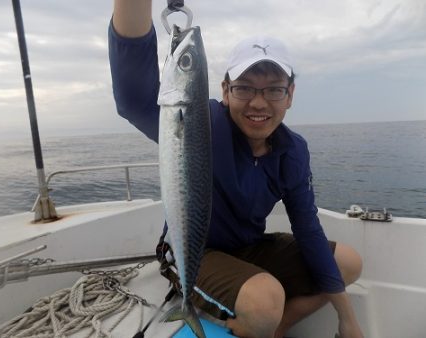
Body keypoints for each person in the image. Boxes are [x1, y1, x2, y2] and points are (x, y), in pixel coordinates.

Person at [109, 1, 364, 337]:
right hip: (194, 253)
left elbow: (307, 228)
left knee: (348, 263)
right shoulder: (200, 123)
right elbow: (133, 99)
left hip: (249, 247)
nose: (259, 103)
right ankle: (245, 322)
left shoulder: (292, 150)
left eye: (274, 89)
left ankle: (277, 326)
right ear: (226, 92)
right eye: (244, 88)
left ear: (290, 95)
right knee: (264, 302)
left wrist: (347, 319)